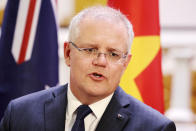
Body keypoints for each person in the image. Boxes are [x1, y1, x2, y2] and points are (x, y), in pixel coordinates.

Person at [0, 6, 176, 131]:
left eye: (113, 54)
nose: (101, 61)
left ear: (125, 63)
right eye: (90, 50)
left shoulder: (154, 127)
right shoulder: (20, 114)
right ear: (68, 53)